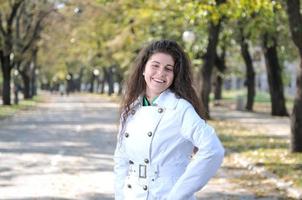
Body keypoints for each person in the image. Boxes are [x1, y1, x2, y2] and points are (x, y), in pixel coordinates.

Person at [114, 39, 224, 200]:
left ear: (175, 75)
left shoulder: (180, 108)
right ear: (144, 68)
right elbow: (121, 159)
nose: (160, 73)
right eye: (155, 65)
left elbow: (213, 150)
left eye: (168, 68)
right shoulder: (131, 109)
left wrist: (179, 193)